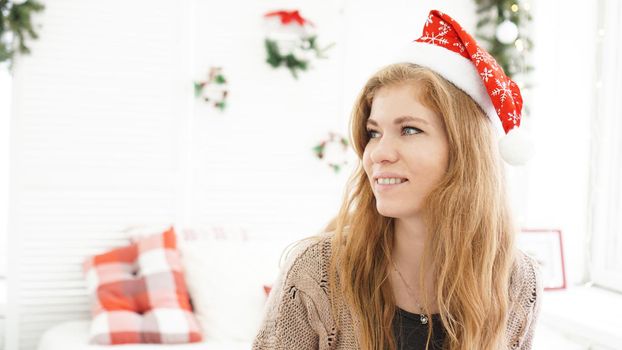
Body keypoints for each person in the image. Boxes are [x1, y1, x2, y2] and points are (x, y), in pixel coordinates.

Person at [253, 9, 542, 350]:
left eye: (409, 129)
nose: (377, 153)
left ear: (467, 151)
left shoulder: (516, 278)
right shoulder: (316, 271)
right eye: (373, 133)